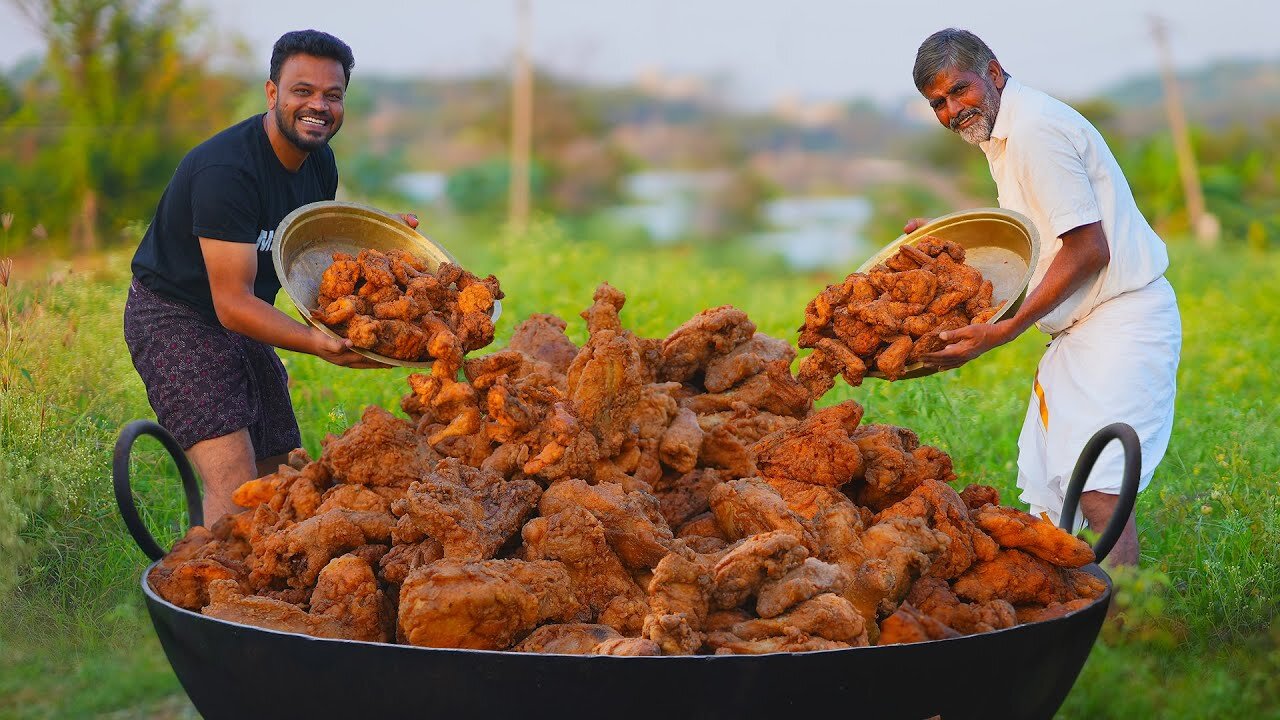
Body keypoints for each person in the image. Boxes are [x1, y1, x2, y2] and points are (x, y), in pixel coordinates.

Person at [907, 28, 1181, 567]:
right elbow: (1034, 237)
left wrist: (1001, 332)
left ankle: (1126, 633)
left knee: (1101, 491)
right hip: (1080, 332)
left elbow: (1087, 249)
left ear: (991, 71)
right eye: (937, 102)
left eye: (959, 90)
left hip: (1120, 320)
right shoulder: (1002, 134)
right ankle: (1086, 624)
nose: (952, 109)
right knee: (1057, 499)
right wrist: (950, 243)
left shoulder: (1034, 129)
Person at [124, 29, 415, 526]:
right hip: (177, 318)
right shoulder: (227, 171)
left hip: (247, 317)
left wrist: (387, 251)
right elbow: (230, 304)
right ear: (272, 92)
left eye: (333, 95)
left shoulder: (318, 161)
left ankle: (258, 589)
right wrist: (314, 342)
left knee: (281, 485)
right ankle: (211, 599)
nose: (318, 106)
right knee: (239, 494)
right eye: (303, 91)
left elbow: (314, 248)